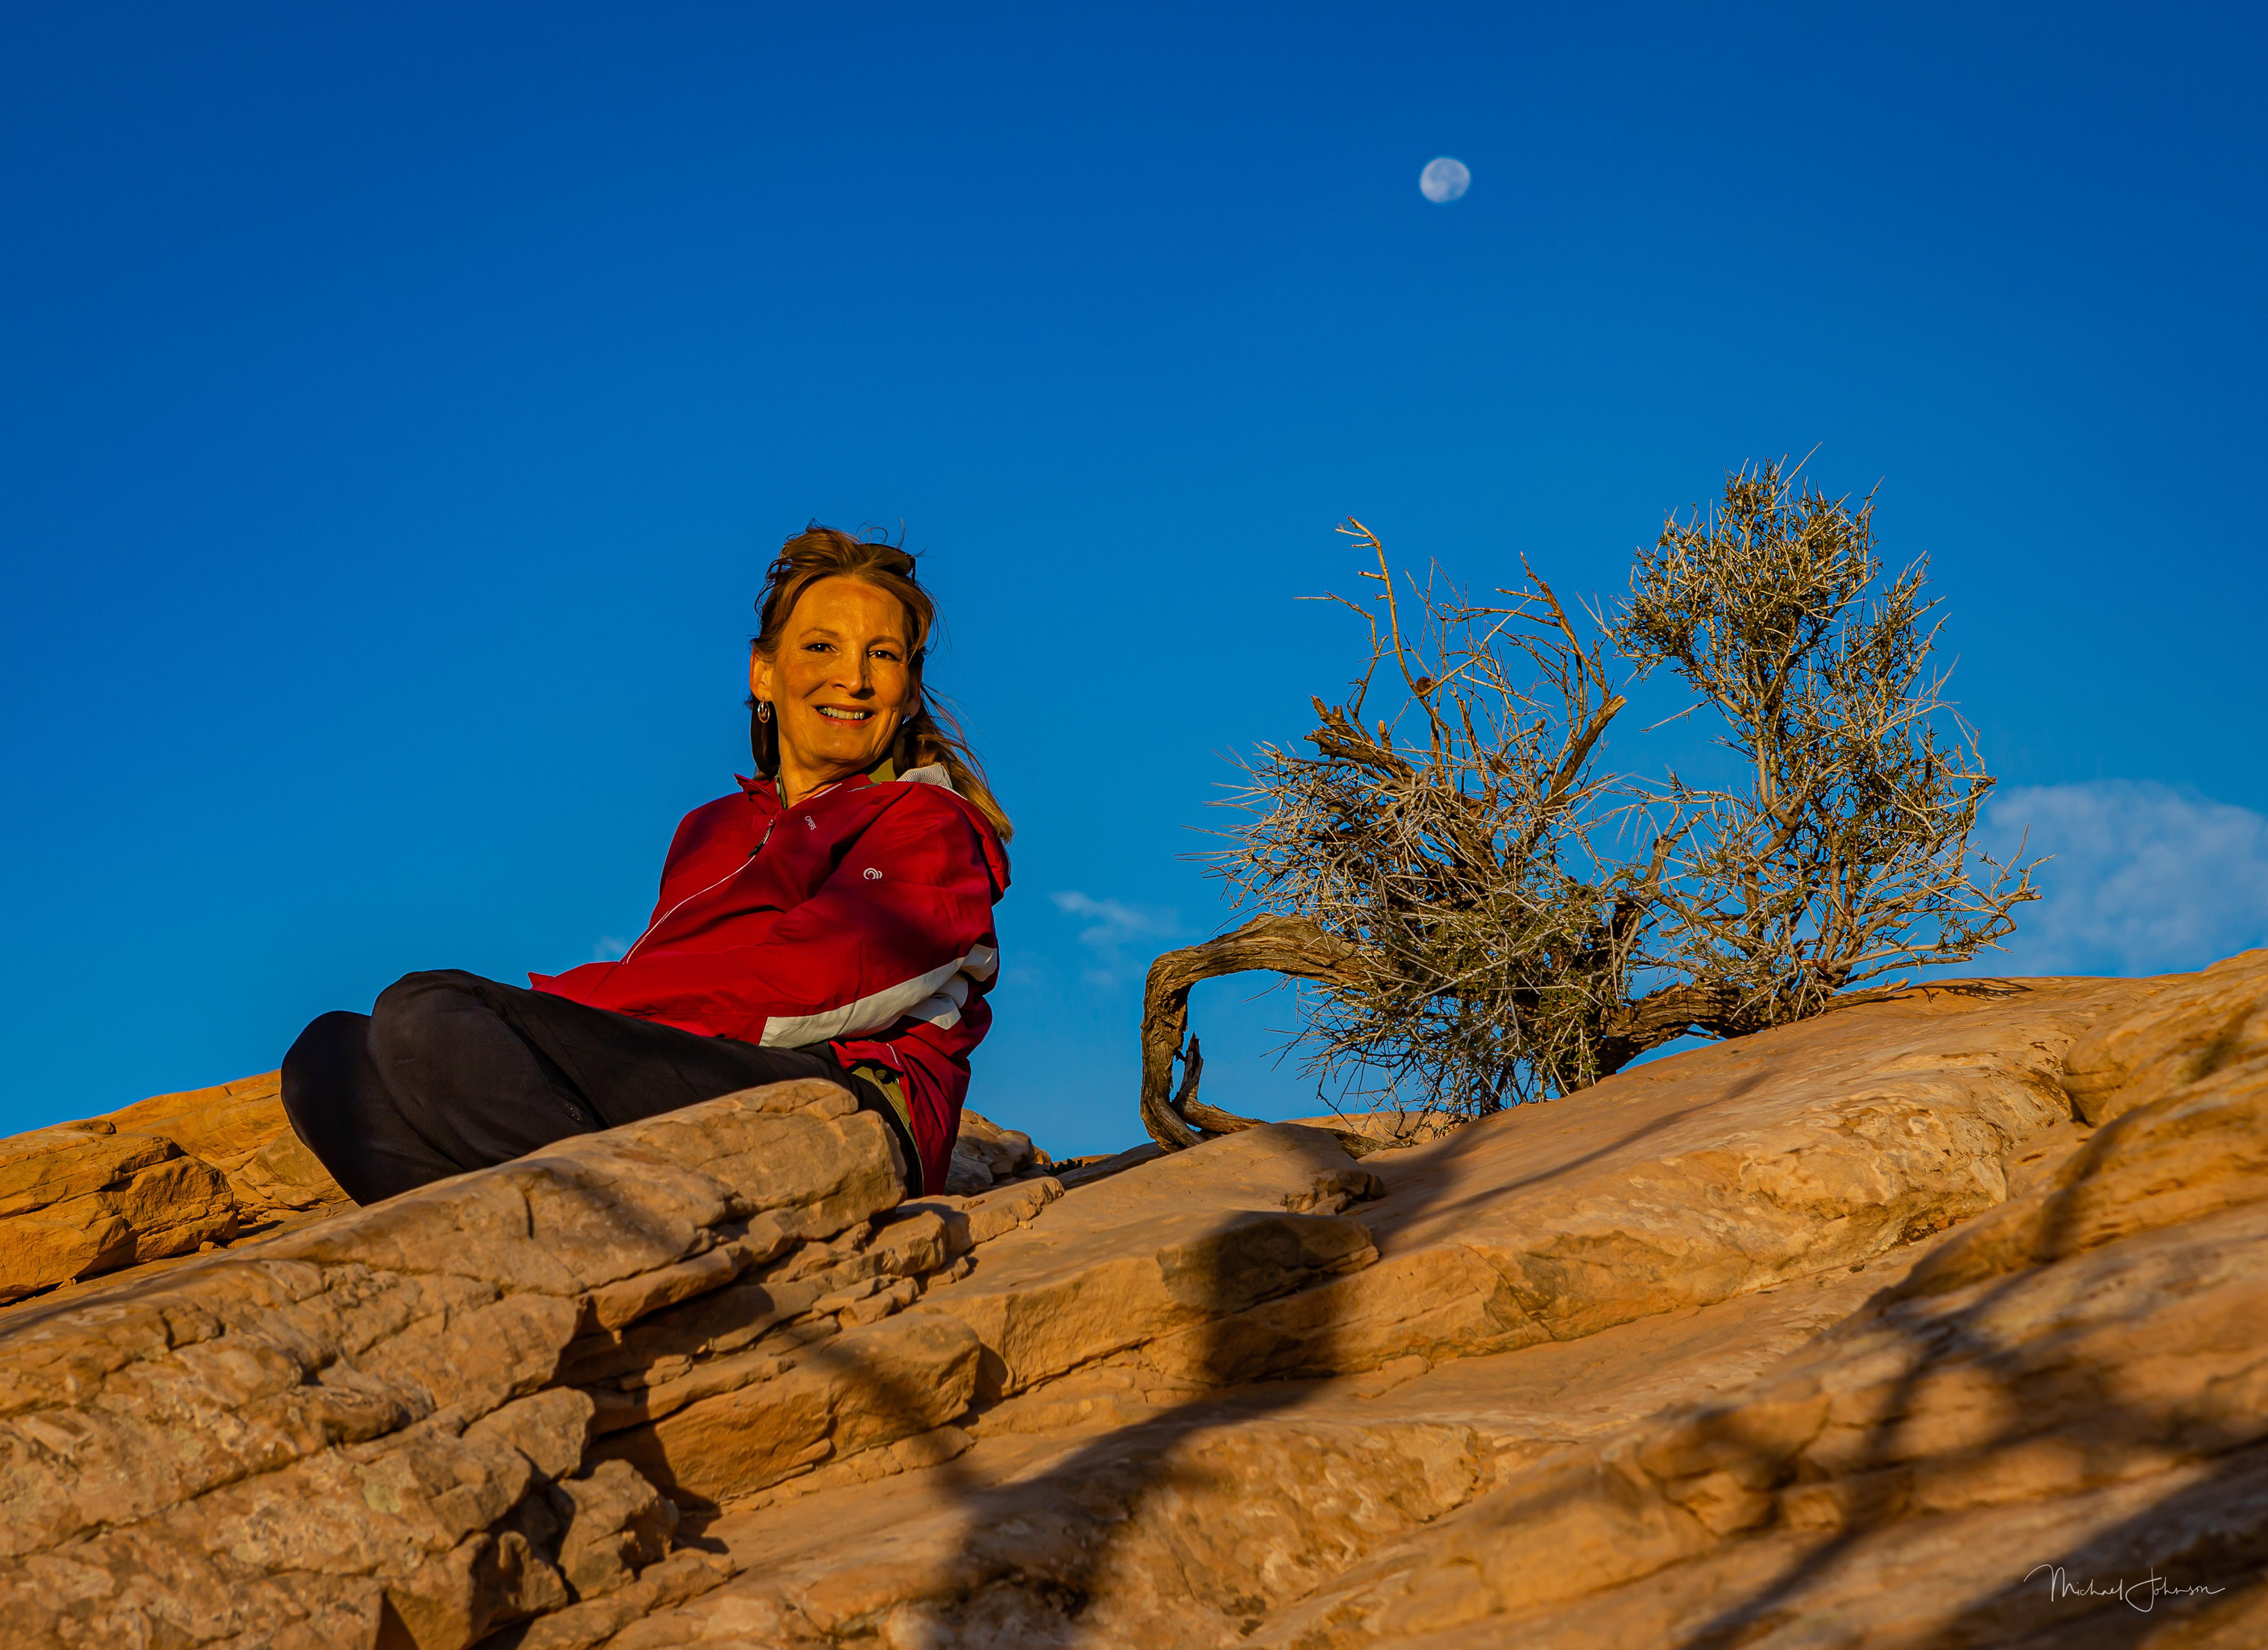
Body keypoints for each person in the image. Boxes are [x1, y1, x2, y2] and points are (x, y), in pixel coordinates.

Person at [281, 527, 1012, 1205]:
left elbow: (820, 984)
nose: (853, 677)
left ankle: (638, 1238)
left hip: (846, 1105)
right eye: (822, 647)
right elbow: (672, 983)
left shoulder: (929, 822)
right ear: (764, 673)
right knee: (329, 1060)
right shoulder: (714, 829)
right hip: (699, 1071)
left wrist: (572, 1006)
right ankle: (542, 1253)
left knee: (426, 1017)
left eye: (882, 655)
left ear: (908, 691)